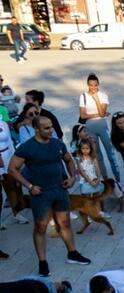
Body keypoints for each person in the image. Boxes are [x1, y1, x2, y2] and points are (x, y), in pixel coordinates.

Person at [7, 115, 92, 276]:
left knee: (65, 223)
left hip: (59, 190)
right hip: (41, 193)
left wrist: (72, 176)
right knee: (41, 227)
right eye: (46, 128)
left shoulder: (57, 144)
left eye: (51, 126)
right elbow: (12, 169)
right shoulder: (27, 147)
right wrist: (29, 186)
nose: (50, 130)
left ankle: (72, 253)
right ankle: (42, 262)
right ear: (37, 129)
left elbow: (68, 160)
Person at [78, 73, 120, 183]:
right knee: (97, 155)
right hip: (90, 127)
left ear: (98, 85)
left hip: (102, 126)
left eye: (95, 85)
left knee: (110, 154)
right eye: (91, 85)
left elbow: (102, 113)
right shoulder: (83, 96)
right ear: (88, 85)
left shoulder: (103, 95)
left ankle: (118, 179)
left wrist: (96, 99)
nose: (93, 87)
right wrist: (98, 114)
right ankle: (105, 179)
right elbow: (83, 115)